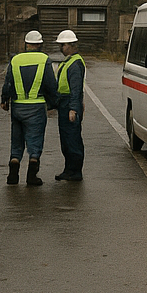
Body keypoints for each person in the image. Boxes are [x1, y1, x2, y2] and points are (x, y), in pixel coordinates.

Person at [1, 29, 58, 186]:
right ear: (40, 44)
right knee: (35, 140)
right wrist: (53, 103)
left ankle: (12, 175)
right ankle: (32, 177)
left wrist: (4, 100)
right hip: (36, 106)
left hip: (17, 106)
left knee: (16, 140)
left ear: (26, 44)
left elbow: (8, 82)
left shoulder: (15, 60)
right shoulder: (45, 60)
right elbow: (50, 84)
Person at [53, 29, 86, 181]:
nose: (61, 48)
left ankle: (75, 171)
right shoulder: (69, 61)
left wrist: (74, 108)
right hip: (65, 103)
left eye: (63, 45)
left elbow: (75, 88)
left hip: (69, 104)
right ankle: (69, 169)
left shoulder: (74, 64)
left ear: (72, 45)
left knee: (72, 139)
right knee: (66, 139)